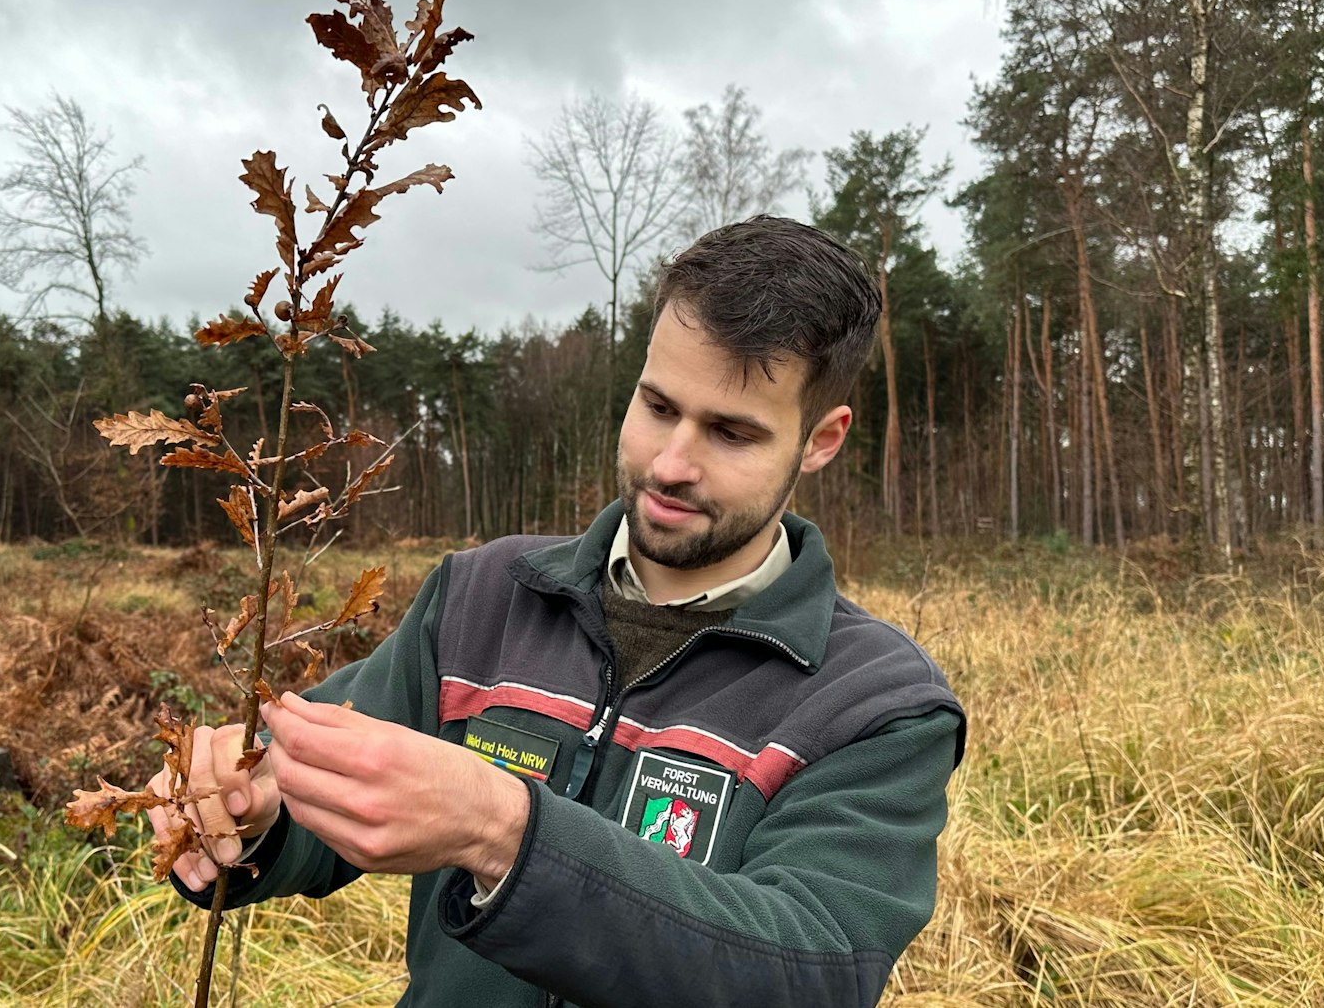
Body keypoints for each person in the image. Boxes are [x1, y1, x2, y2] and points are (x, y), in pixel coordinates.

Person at [154, 216, 967, 1008]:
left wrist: (503, 831)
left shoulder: (874, 703)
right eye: (657, 406)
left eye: (730, 432)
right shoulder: (485, 597)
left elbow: (811, 970)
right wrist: (250, 808)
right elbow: (313, 786)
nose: (671, 462)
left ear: (821, 439)